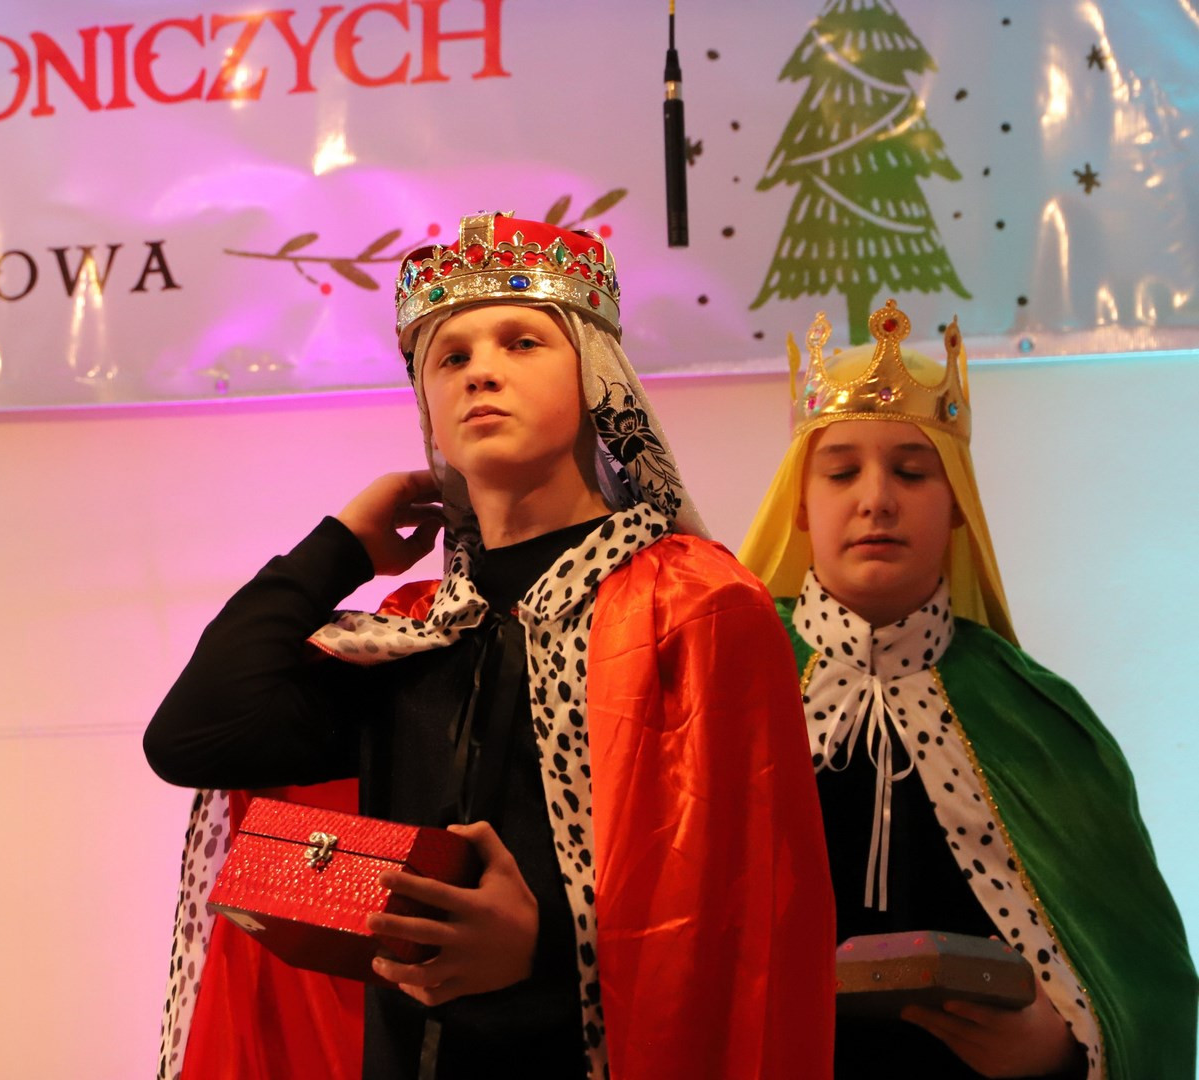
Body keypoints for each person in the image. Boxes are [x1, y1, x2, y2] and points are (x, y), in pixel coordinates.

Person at [144, 211, 835, 1080]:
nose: (480, 372)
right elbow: (194, 739)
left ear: (595, 377)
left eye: (521, 342)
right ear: (426, 408)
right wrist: (337, 550)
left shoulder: (695, 603)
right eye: (449, 358)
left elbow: (745, 908)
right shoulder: (415, 629)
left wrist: (542, 953)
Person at [737, 299, 1197, 1079]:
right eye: (841, 471)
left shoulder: (1035, 721)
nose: (875, 499)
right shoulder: (726, 685)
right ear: (800, 505)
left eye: (912, 471)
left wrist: (1059, 1046)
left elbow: (1145, 982)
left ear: (956, 505)